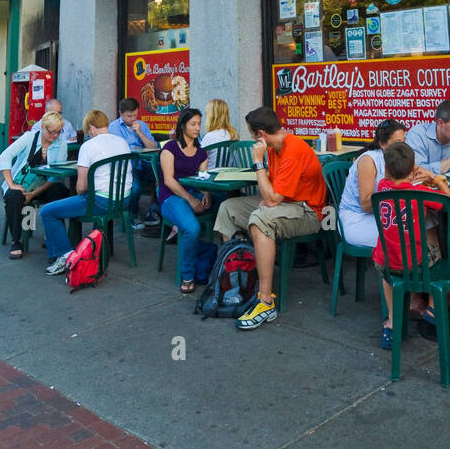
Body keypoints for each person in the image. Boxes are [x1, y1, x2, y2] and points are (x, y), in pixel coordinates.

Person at [213, 106, 327, 330]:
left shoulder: (292, 150)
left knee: (260, 219)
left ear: (261, 134)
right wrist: (270, 199)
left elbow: (273, 199)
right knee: (228, 208)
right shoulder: (275, 147)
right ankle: (236, 280)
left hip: (307, 212)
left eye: (251, 134)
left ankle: (265, 301)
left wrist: (258, 162)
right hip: (285, 204)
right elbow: (272, 194)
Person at [373, 141, 450, 348]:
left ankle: (392, 323)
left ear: (386, 169)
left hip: (384, 261)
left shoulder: (383, 187)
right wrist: (435, 178)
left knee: (387, 274)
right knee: (432, 237)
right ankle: (433, 305)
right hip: (415, 264)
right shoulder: (421, 195)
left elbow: (393, 181)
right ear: (412, 170)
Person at [39, 110, 131, 275]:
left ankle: (66, 256)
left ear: (91, 128)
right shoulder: (122, 142)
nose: (89, 134)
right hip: (123, 200)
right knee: (70, 205)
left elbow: (81, 187)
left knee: (48, 211)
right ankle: (63, 253)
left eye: (88, 131)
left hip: (100, 201)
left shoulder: (88, 146)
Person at [0, 110, 71, 260]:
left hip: (42, 187)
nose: (55, 136)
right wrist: (11, 183)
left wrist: (35, 193)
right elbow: (4, 156)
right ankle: (16, 241)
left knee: (61, 190)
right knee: (14, 196)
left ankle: (51, 235)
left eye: (59, 132)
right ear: (43, 128)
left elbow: (55, 175)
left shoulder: (61, 144)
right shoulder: (29, 138)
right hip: (21, 184)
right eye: (52, 132)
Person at [157, 107, 213, 294]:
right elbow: (168, 180)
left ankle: (221, 260)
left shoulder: (201, 152)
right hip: (170, 197)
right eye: (193, 124)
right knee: (192, 228)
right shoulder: (170, 148)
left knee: (223, 207)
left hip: (193, 193)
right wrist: (190, 198)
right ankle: (187, 275)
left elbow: (202, 178)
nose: (198, 128)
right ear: (182, 125)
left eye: (199, 124)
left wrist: (206, 193)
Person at [337, 119, 406, 248]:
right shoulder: (369, 160)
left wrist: (430, 176)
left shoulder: (395, 158)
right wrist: (396, 191)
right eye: (397, 143)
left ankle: (434, 262)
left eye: (404, 142)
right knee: (405, 234)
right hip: (356, 219)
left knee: (428, 221)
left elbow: (416, 172)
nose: (402, 148)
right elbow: (366, 205)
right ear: (382, 144)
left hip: (380, 215)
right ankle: (399, 267)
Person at [109, 97, 161, 229]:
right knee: (136, 188)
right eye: (129, 116)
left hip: (145, 162)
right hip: (128, 165)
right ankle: (132, 214)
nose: (132, 119)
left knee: (164, 175)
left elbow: (154, 147)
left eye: (135, 115)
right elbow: (122, 149)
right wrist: (137, 148)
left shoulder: (142, 125)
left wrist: (140, 133)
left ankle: (154, 210)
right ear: (121, 113)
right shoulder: (114, 127)